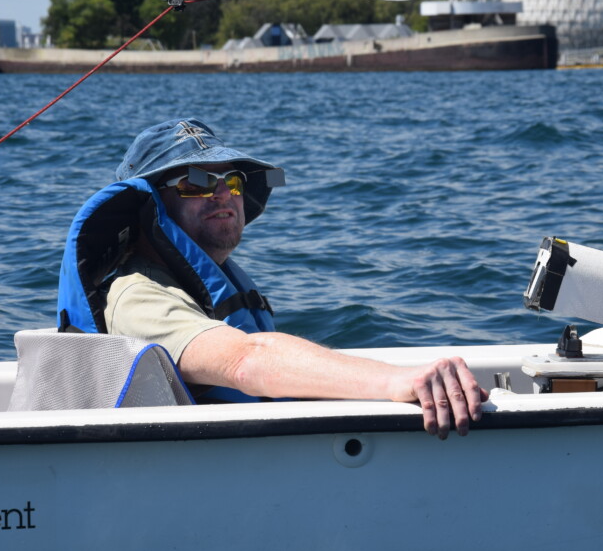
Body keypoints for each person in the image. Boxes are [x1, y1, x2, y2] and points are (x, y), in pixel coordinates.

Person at [100, 117, 487, 438]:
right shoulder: (137, 296)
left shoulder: (199, 285)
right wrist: (396, 382)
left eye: (233, 180)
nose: (223, 193)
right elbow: (245, 362)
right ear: (150, 205)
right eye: (197, 182)